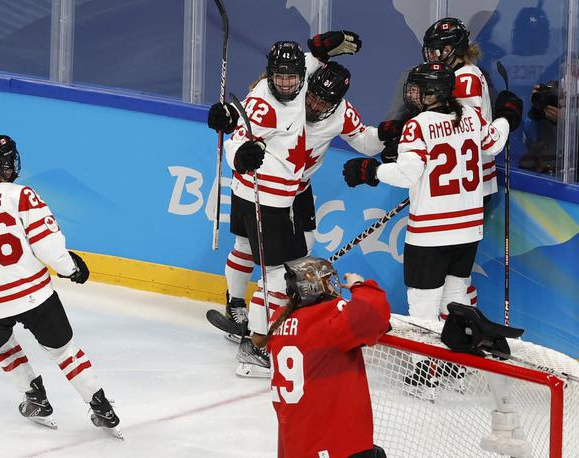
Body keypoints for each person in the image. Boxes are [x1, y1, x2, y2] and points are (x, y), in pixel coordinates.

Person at [342, 62, 522, 396]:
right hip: (468, 228)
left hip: (430, 232)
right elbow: (494, 142)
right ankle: (459, 364)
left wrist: (371, 171)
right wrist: (507, 116)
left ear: (434, 93)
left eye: (418, 89)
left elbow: (408, 175)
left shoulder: (419, 125)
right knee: (456, 297)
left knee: (422, 307)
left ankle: (424, 374)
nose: (411, 95)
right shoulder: (470, 114)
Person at [207, 33, 362, 377]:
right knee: (273, 268)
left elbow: (309, 59)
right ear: (270, 73)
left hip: (286, 191)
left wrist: (321, 46)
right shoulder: (269, 100)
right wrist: (236, 144)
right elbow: (239, 137)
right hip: (266, 193)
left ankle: (265, 324)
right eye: (281, 76)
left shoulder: (300, 79)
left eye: (294, 76)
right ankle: (255, 340)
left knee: (282, 256)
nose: (288, 82)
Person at [0, 133, 122, 438]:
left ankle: (35, 398)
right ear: (4, 166)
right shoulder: (21, 195)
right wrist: (71, 268)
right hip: (30, 294)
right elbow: (47, 246)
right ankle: (101, 405)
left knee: (5, 348)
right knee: (65, 352)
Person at [381, 17, 501, 310]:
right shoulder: (455, 74)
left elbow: (465, 134)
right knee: (454, 281)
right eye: (430, 49)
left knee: (452, 281)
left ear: (455, 47)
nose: (432, 55)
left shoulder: (466, 77)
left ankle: (457, 334)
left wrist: (408, 145)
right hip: (460, 189)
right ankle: (459, 334)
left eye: (439, 49)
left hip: (468, 190)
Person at [252, 256, 389, 458]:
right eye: (326, 281)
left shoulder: (279, 318)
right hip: (333, 445)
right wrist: (359, 285)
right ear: (314, 288)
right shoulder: (327, 318)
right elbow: (374, 316)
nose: (332, 287)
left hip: (297, 443)